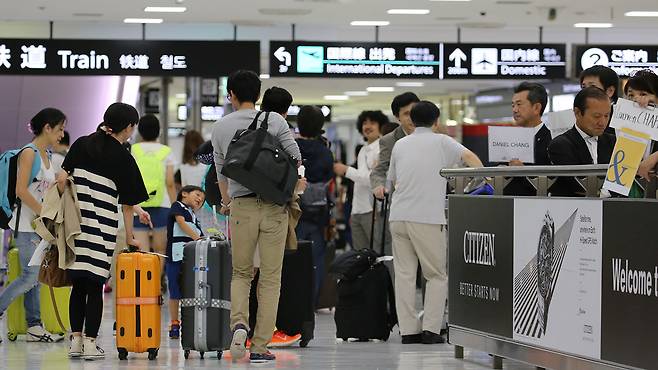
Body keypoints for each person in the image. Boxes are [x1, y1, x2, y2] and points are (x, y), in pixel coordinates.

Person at [211, 70, 302, 363]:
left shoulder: (221, 127)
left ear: (231, 95)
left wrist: (227, 202)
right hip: (275, 207)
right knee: (271, 278)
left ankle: (239, 325)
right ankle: (261, 345)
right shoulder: (273, 120)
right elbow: (296, 157)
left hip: (242, 207)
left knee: (241, 273)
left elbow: (221, 172)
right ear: (258, 95)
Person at [386, 101, 483, 345]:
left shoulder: (400, 144)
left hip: (398, 216)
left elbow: (392, 182)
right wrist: (474, 181)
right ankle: (430, 330)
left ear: (412, 120)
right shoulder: (442, 141)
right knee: (436, 275)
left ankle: (408, 331)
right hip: (427, 216)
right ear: (436, 121)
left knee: (405, 275)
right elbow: (473, 160)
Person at [60, 103, 148, 360]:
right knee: (95, 286)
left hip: (76, 227)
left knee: (77, 285)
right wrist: (130, 235)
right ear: (129, 127)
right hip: (102, 230)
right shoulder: (123, 157)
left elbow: (62, 177)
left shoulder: (81, 144)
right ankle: (90, 344)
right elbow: (127, 204)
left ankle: (75, 342)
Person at [0, 108, 67, 344]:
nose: (62, 134)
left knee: (36, 275)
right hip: (25, 224)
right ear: (47, 127)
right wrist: (44, 214)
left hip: (39, 226)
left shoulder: (47, 154)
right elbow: (20, 190)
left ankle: (34, 325)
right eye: (59, 129)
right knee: (29, 276)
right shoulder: (29, 153)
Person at [295, 105, 334, 306]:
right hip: (319, 211)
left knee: (293, 255)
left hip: (296, 208)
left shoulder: (292, 147)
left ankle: (295, 299)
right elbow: (330, 178)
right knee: (317, 258)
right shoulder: (325, 150)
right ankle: (313, 300)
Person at [132, 114, 176, 288]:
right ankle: (155, 284)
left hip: (139, 206)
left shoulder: (134, 150)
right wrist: (175, 206)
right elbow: (170, 182)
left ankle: (143, 284)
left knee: (142, 251)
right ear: (158, 131)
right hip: (162, 205)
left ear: (140, 131)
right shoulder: (166, 151)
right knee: (160, 249)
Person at [548, 87, 616, 196]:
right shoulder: (560, 145)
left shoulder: (614, 142)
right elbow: (577, 185)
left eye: (606, 116)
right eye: (596, 116)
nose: (603, 122)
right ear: (578, 113)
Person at [334, 110, 386, 250]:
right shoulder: (363, 150)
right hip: (358, 210)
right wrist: (353, 211)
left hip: (373, 210)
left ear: (380, 126)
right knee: (360, 255)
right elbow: (360, 181)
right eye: (364, 123)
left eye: (372, 123)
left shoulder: (382, 149)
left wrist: (347, 171)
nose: (367, 126)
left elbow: (373, 180)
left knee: (376, 252)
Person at [166, 185, 204, 339]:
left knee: (190, 291)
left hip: (190, 259)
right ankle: (174, 322)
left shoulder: (194, 216)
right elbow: (181, 223)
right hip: (175, 257)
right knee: (174, 291)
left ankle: (190, 323)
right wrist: (197, 238)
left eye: (202, 198)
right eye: (197, 194)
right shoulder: (177, 206)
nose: (199, 199)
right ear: (184, 194)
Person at [505, 82, 552, 196]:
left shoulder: (551, 140)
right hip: (507, 204)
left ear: (536, 108)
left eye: (519, 104)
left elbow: (552, 179)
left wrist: (524, 171)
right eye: (513, 105)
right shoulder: (509, 138)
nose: (515, 110)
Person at [370, 92, 420, 200]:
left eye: (414, 112)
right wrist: (378, 186)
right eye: (406, 114)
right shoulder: (389, 141)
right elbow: (379, 171)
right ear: (398, 117)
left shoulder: (432, 136)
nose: (411, 118)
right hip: (403, 200)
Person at [579, 65, 619, 135]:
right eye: (584, 87)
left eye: (592, 87)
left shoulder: (622, 119)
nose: (586, 92)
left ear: (610, 91)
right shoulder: (578, 115)